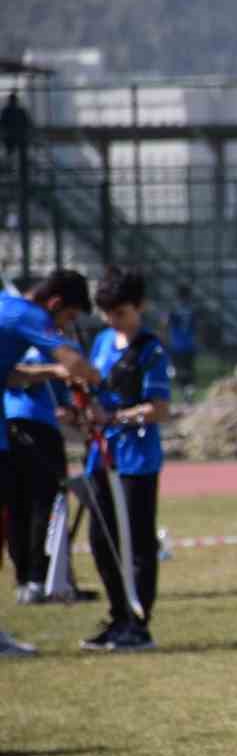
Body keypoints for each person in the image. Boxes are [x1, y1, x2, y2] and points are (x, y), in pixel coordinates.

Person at [0, 269, 100, 656]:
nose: (65, 328)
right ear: (56, 304)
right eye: (69, 319)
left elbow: (10, 376)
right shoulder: (30, 315)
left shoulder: (6, 309)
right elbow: (74, 362)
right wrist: (98, 381)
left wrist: (49, 371)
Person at [79, 267, 172, 652]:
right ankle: (117, 614)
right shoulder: (101, 342)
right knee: (101, 539)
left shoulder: (151, 349)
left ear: (138, 307)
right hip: (101, 456)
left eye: (120, 312)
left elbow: (159, 408)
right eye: (107, 313)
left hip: (136, 459)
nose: (112, 320)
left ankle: (138, 623)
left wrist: (117, 417)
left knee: (137, 540)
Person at [7, 341, 80, 604]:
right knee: (39, 504)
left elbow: (66, 399)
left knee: (26, 506)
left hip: (23, 427)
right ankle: (36, 579)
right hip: (31, 429)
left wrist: (69, 409)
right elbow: (20, 378)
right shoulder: (33, 344)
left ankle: (33, 578)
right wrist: (53, 371)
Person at [165, 285, 198, 401]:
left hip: (178, 345)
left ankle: (185, 392)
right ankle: (188, 393)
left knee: (178, 371)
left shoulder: (174, 310)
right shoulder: (192, 310)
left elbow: (166, 323)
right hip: (190, 344)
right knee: (188, 370)